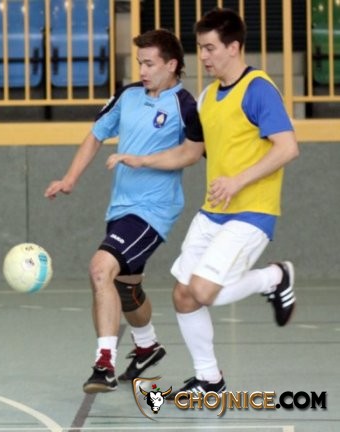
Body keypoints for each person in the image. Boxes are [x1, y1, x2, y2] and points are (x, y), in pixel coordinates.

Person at [111, 8, 300, 397]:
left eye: (211, 48)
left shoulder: (258, 89)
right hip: (214, 213)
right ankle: (209, 379)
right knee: (183, 295)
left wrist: (238, 180)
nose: (204, 56)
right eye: (200, 48)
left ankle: (275, 277)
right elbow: (189, 152)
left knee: (202, 291)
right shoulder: (208, 97)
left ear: (234, 47)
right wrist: (142, 160)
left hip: (252, 212)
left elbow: (287, 148)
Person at [44, 29, 204, 393]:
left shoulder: (185, 106)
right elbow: (96, 134)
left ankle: (104, 364)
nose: (142, 71)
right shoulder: (128, 95)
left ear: (171, 65)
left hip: (154, 210)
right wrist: (70, 178)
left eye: (150, 64)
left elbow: (191, 154)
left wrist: (142, 160)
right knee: (125, 288)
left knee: (101, 268)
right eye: (140, 63)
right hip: (120, 207)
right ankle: (147, 346)